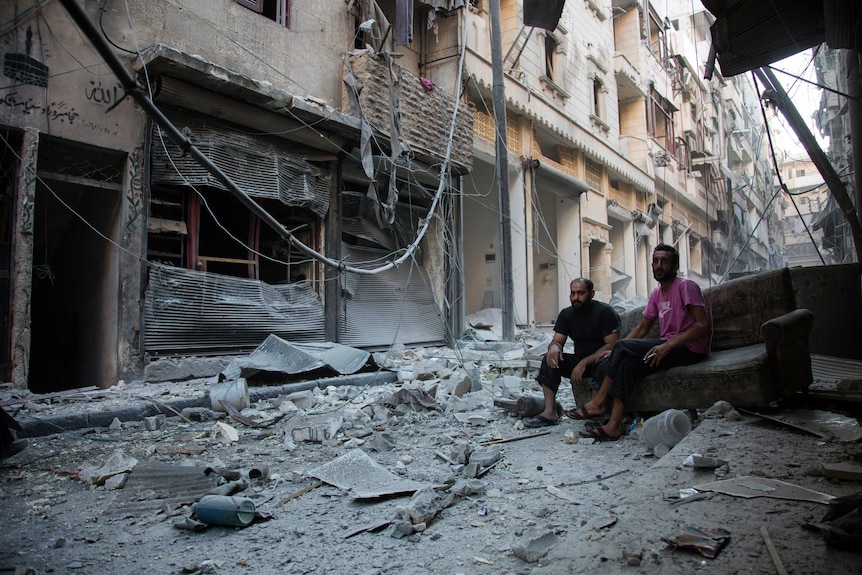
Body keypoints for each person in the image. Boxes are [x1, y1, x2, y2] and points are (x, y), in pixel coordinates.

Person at [572, 244, 710, 441]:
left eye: (664, 261)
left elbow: (702, 325)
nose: (658, 265)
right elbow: (642, 328)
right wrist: (617, 351)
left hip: (689, 349)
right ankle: (613, 426)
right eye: (655, 261)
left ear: (675, 265)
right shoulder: (657, 293)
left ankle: (598, 402)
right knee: (626, 363)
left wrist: (667, 345)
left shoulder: (685, 286)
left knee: (621, 348)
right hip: (668, 346)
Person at [524, 278, 620, 428]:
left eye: (581, 293)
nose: (576, 298)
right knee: (549, 359)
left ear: (591, 293)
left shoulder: (604, 312)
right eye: (573, 293)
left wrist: (584, 362)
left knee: (606, 362)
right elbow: (557, 340)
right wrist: (554, 348)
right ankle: (550, 412)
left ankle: (597, 412)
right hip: (580, 361)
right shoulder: (567, 314)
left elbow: (612, 345)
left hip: (600, 361)